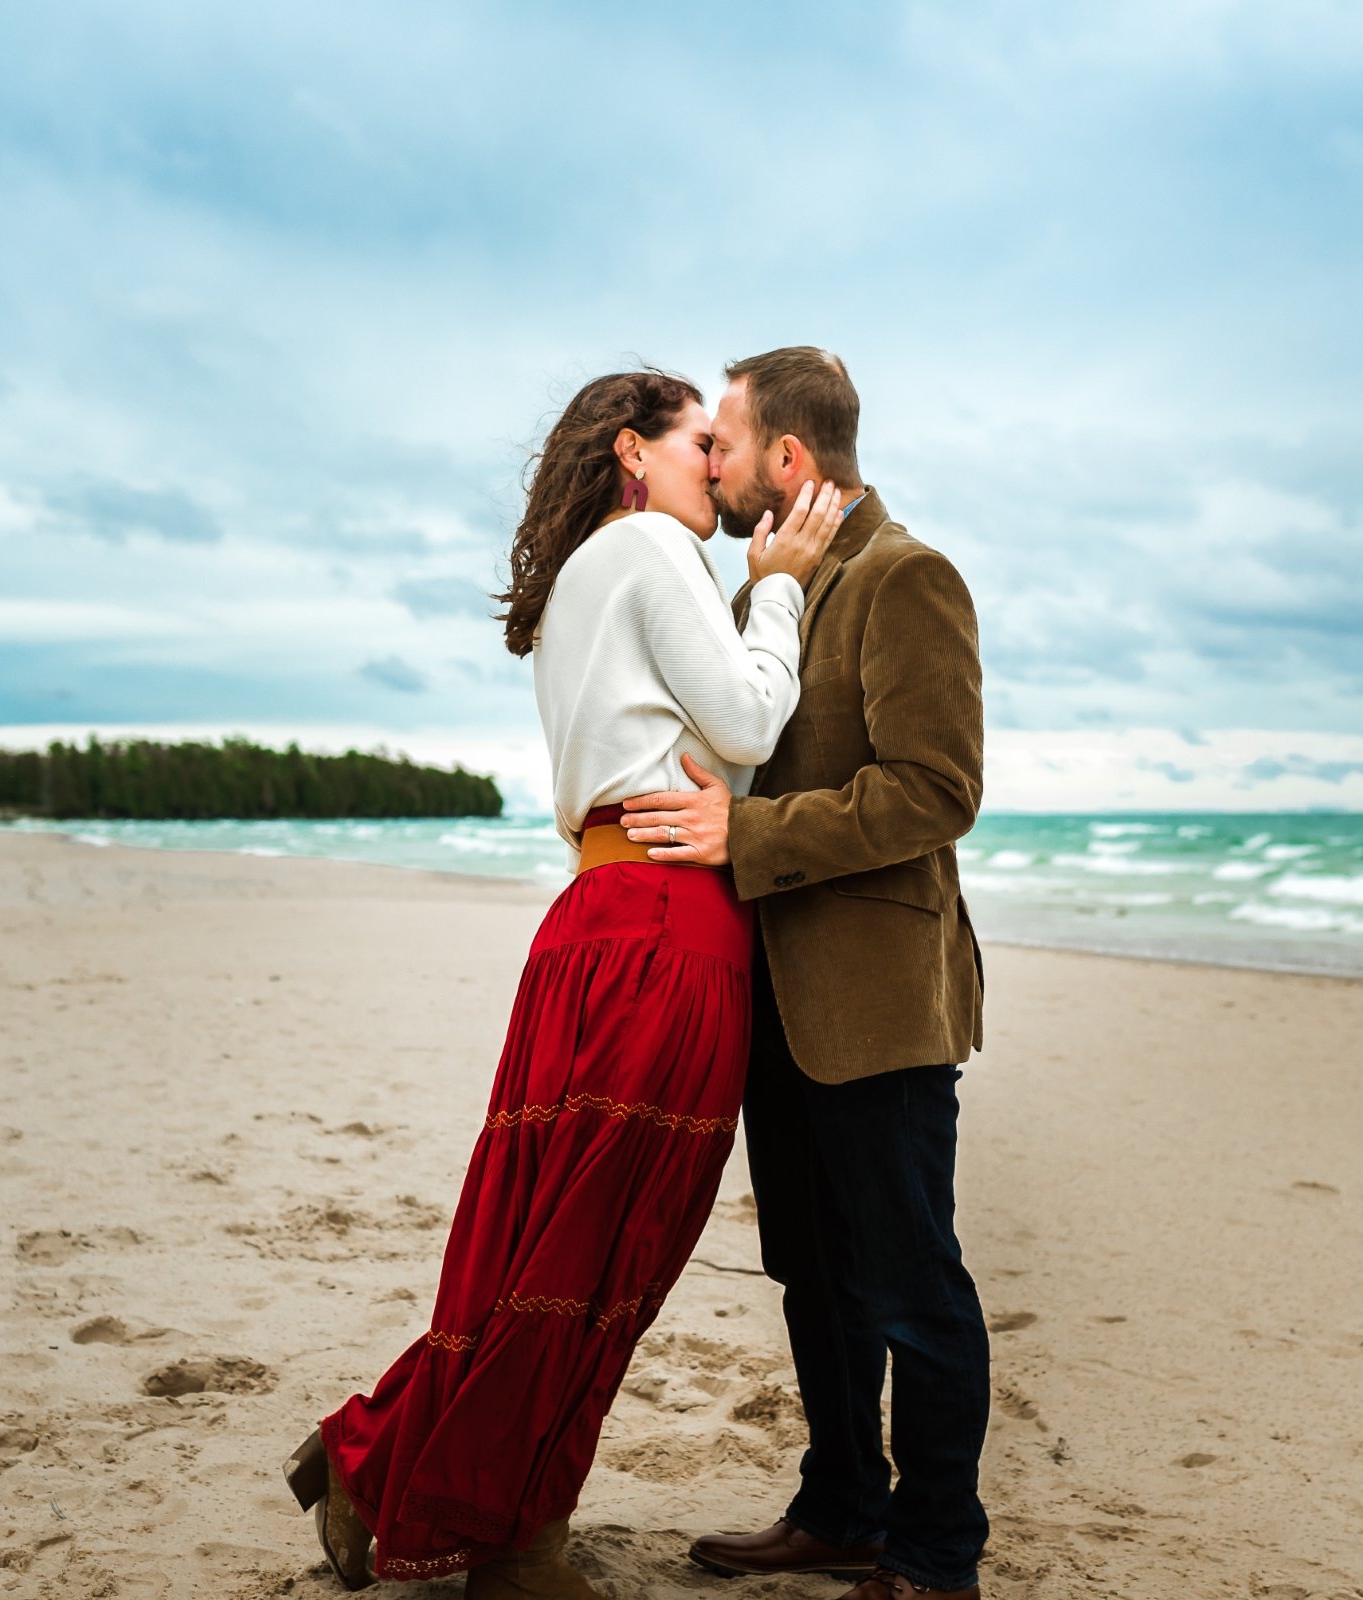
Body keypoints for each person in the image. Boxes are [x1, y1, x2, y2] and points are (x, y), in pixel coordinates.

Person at [282, 368, 849, 1599]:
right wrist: (782, 592)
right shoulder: (651, 548)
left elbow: (701, 766)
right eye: (703, 441)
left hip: (602, 913)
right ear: (632, 455)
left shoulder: (592, 577)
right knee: (598, 1255)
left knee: (550, 1243)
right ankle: (502, 1531)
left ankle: (392, 1466)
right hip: (662, 926)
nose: (721, 464)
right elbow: (750, 728)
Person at [617, 347, 991, 1600]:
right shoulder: (757, 593)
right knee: (814, 1276)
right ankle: (841, 1509)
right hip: (771, 999)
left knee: (909, 1281)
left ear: (788, 457)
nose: (709, 462)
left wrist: (750, 833)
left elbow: (937, 790)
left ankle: (938, 1557)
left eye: (723, 441)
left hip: (880, 1006)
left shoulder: (907, 577)